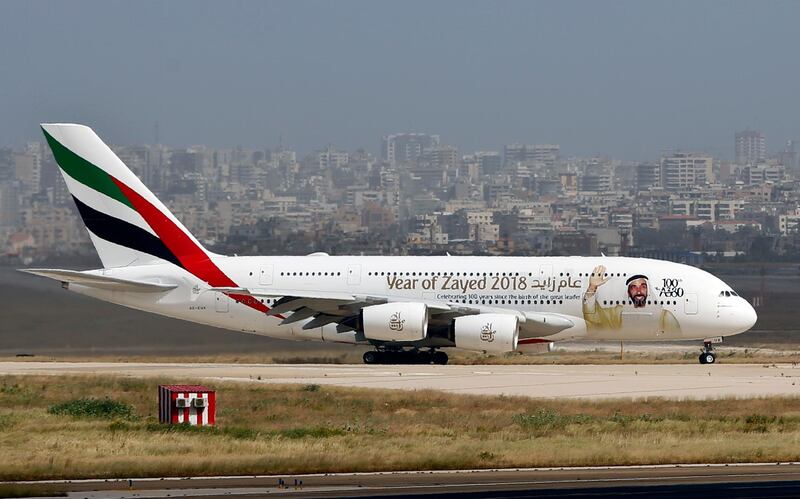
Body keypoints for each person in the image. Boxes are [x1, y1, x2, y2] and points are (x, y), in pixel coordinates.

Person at [582, 264, 681, 335]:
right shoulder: (616, 314)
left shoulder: (664, 317)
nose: (638, 291)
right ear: (628, 293)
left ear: (648, 290)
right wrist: (592, 287)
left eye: (643, 286)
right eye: (633, 287)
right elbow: (594, 318)